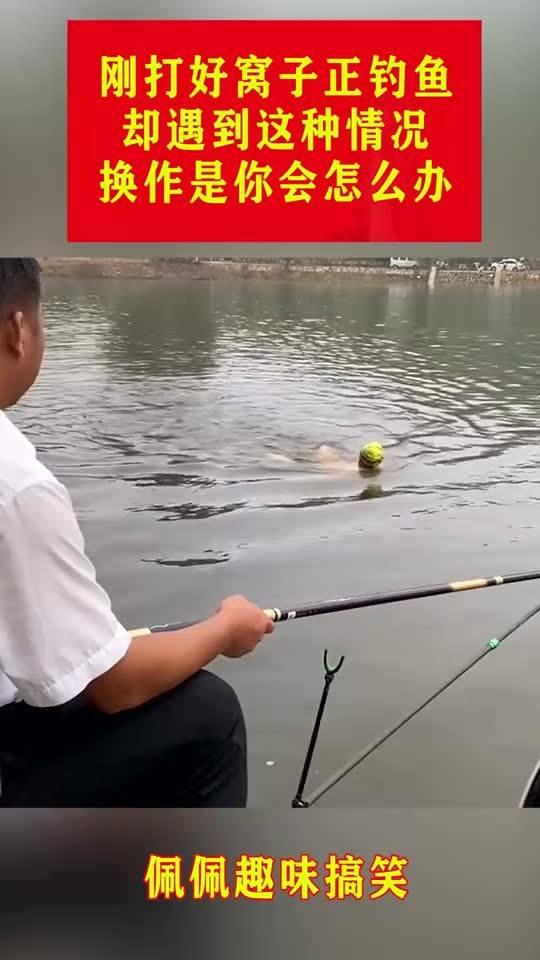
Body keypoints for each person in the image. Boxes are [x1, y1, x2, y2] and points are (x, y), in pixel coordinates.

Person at [0, 258, 274, 807]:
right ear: (17, 329)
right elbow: (114, 688)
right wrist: (225, 630)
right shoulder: (16, 485)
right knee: (208, 714)